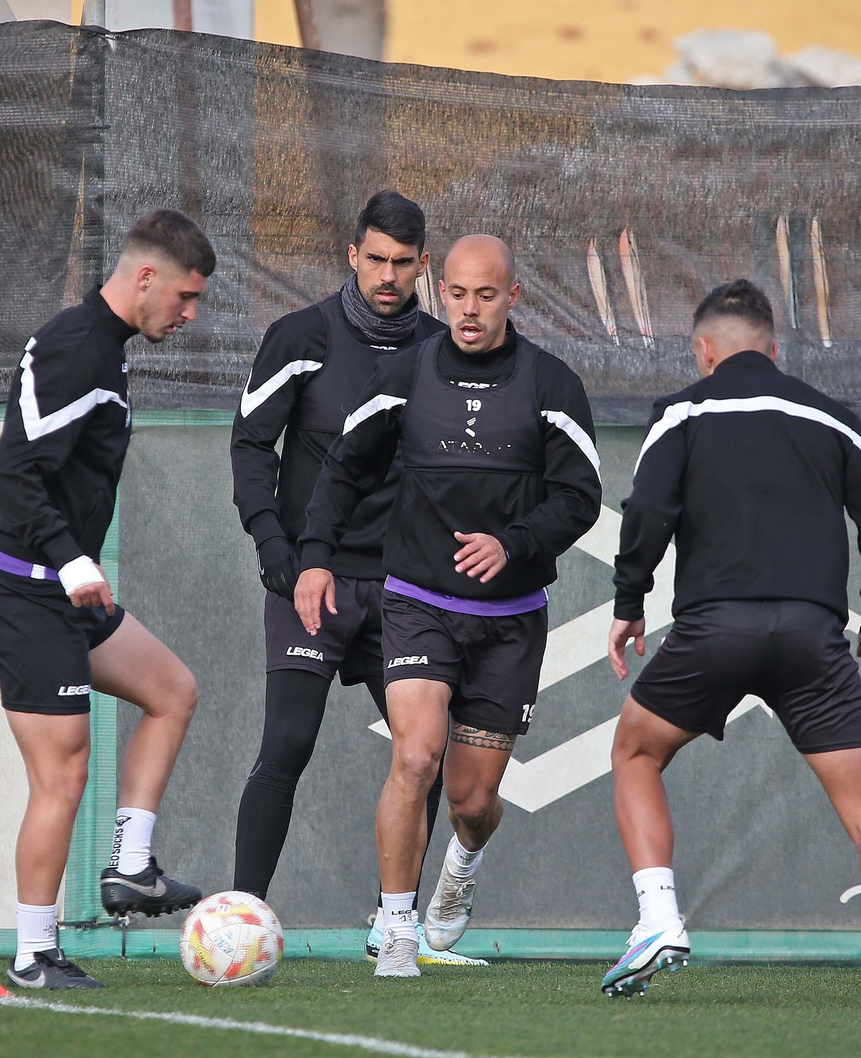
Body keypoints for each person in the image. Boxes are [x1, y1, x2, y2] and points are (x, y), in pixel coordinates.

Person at [601, 279, 861, 1012]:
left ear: (703, 351)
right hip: (811, 637)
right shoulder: (829, 415)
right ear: (774, 349)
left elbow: (647, 510)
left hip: (714, 630)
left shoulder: (683, 410)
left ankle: (660, 921)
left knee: (636, 754)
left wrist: (630, 602)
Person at [297, 235, 602, 978]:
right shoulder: (401, 374)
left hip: (509, 620)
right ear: (442, 292)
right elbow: (344, 470)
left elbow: (580, 498)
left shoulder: (551, 385)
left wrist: (515, 543)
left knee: (471, 799)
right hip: (418, 602)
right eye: (458, 294)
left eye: (486, 296)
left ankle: (462, 864)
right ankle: (397, 927)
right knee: (415, 755)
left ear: (513, 298)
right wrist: (313, 557)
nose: (469, 310)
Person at [230, 192, 485, 967]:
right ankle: (243, 922)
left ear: (424, 266)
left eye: (404, 264)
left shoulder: (445, 351)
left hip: (406, 591)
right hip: (313, 580)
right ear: (351, 253)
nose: (388, 276)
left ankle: (392, 923)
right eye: (375, 259)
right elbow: (250, 446)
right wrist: (277, 546)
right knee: (288, 744)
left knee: (424, 751)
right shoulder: (299, 337)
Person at [0, 209, 214, 990]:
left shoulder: (107, 345)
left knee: (172, 691)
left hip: (62, 592)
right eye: (184, 296)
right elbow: (13, 472)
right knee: (63, 777)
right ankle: (34, 954)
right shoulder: (80, 349)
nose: (190, 313)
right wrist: (73, 560)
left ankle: (131, 868)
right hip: (26, 590)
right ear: (145, 278)